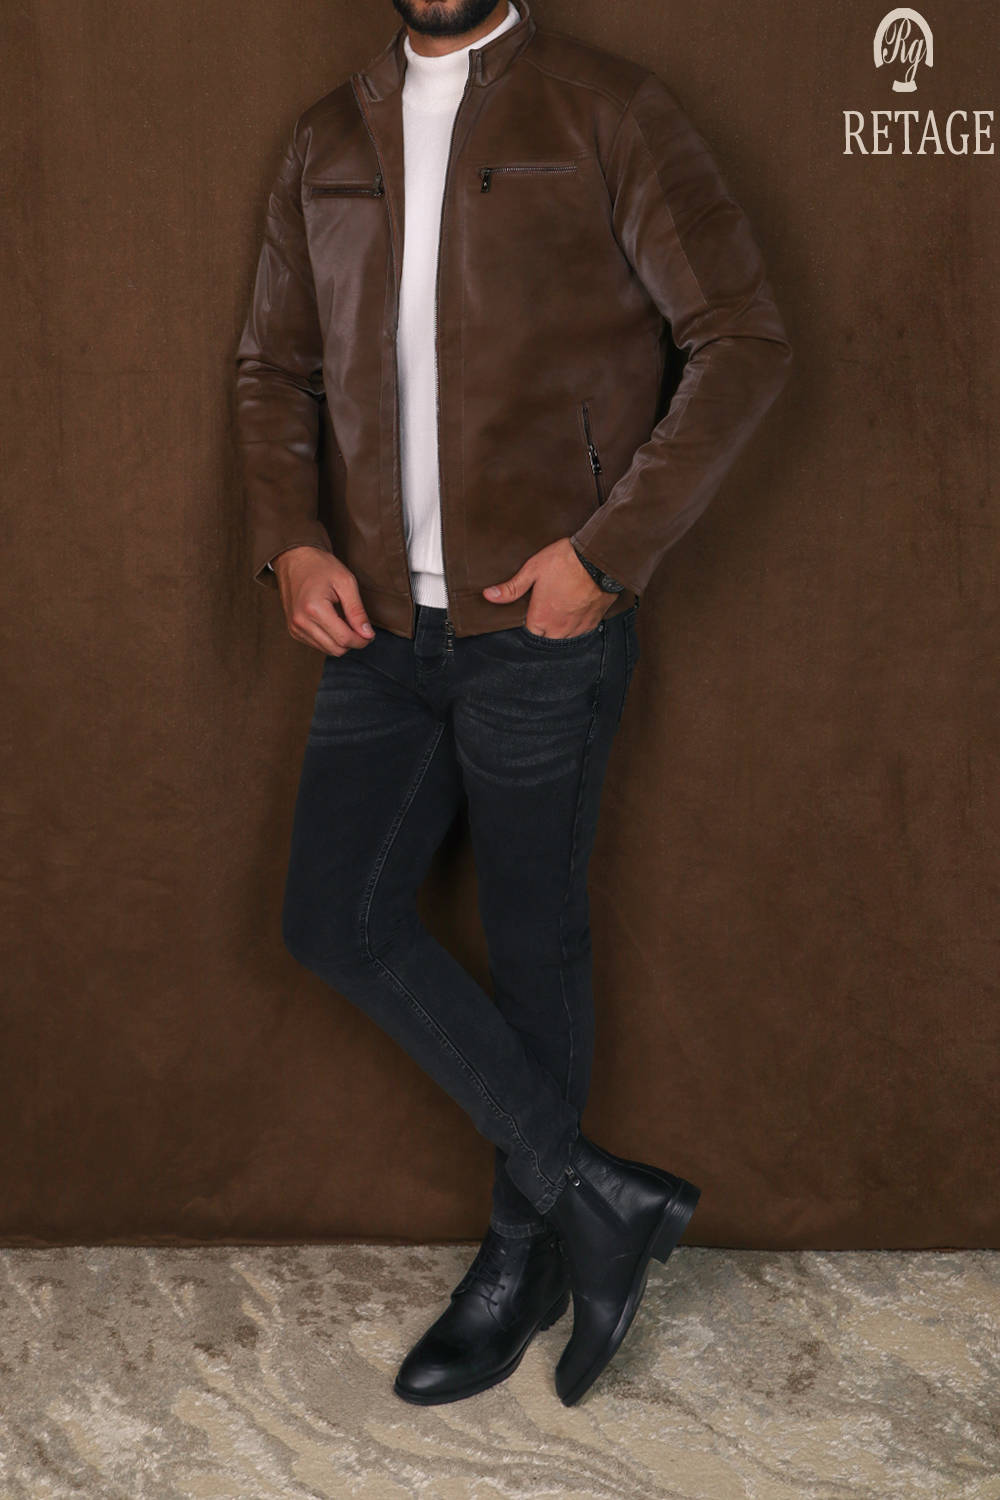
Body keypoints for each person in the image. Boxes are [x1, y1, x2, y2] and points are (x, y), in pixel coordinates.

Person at [236, 0, 791, 1407]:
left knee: (536, 940)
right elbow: (273, 369)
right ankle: (597, 1194)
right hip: (377, 630)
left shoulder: (609, 109)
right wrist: (289, 536)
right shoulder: (325, 139)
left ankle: (523, 1252)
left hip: (540, 630)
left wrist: (606, 556)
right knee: (334, 919)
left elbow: (742, 338)